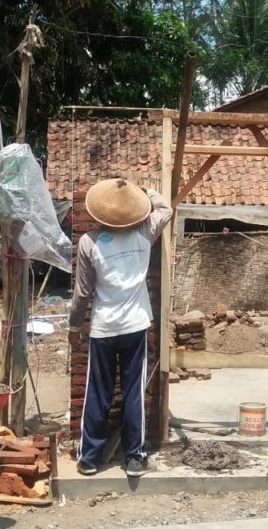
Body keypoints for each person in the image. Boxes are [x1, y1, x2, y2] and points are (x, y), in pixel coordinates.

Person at [67, 178, 172, 477]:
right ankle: (134, 458)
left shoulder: (89, 242)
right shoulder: (144, 232)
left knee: (98, 393)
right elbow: (165, 208)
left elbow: (82, 293)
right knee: (133, 392)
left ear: (99, 212)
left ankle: (89, 459)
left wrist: (74, 327)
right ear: (132, 210)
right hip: (135, 327)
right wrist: (144, 191)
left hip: (103, 328)